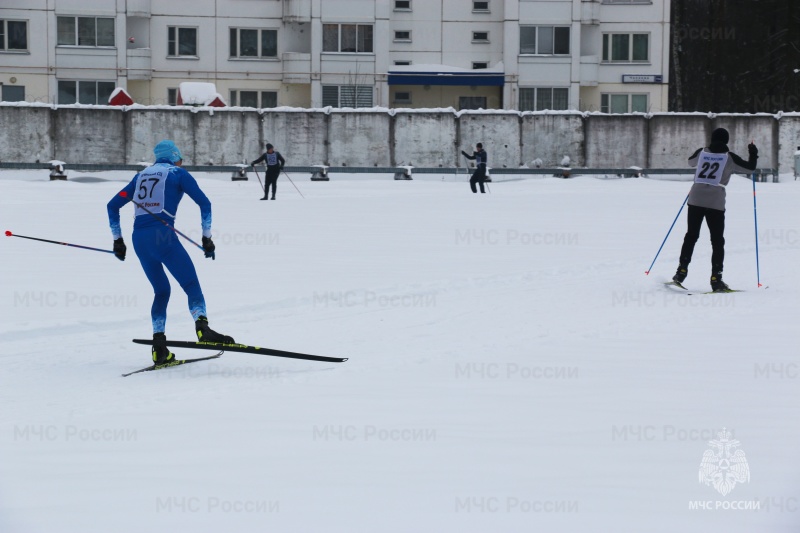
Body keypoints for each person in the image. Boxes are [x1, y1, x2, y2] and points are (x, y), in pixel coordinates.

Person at [107, 140, 234, 365]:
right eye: (181, 157)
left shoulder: (140, 176)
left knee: (161, 291)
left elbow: (113, 205)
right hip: (163, 236)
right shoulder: (178, 173)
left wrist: (118, 241)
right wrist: (207, 238)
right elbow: (205, 204)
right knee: (191, 285)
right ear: (175, 156)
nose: (182, 161)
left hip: (139, 240)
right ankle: (203, 329)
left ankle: (159, 348)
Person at [672, 128, 758, 292]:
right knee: (717, 241)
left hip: (696, 198)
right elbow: (750, 168)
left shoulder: (702, 152)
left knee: (691, 236)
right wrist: (753, 152)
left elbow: (690, 162)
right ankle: (716, 279)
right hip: (715, 202)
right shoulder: (729, 157)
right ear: (726, 141)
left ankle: (680, 273)